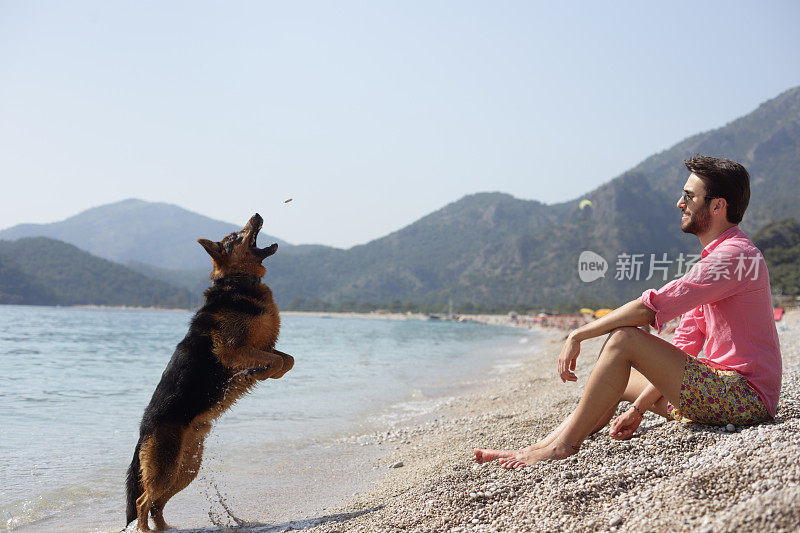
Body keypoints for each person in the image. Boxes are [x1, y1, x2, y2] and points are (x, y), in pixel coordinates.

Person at [474, 155, 782, 469]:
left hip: (743, 398)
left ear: (718, 206)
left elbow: (651, 307)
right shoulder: (718, 258)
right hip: (717, 390)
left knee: (624, 340)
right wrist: (637, 409)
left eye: (689, 196)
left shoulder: (734, 257)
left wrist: (579, 333)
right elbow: (685, 345)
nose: (680, 203)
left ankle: (563, 448)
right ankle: (542, 445)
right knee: (619, 375)